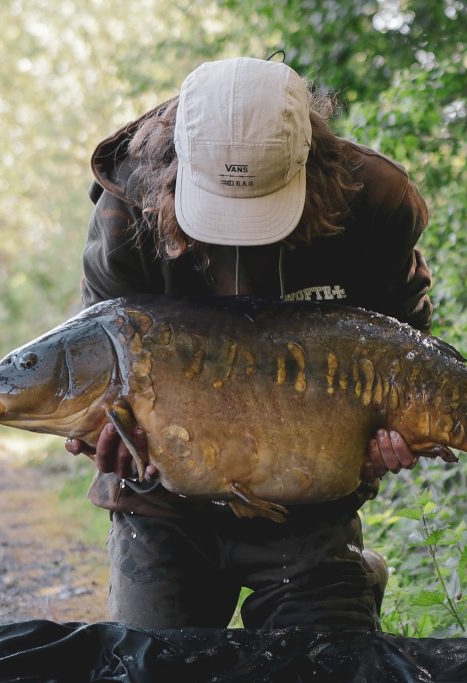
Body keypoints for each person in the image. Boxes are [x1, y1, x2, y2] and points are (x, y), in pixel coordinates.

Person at [65, 56, 433, 631]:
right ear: (176, 167)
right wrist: (105, 431)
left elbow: (405, 345)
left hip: (306, 491)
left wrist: (391, 428)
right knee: (159, 664)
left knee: (323, 665)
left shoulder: (374, 202)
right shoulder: (127, 209)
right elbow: (98, 355)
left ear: (308, 160)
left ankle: (351, 578)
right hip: (163, 498)